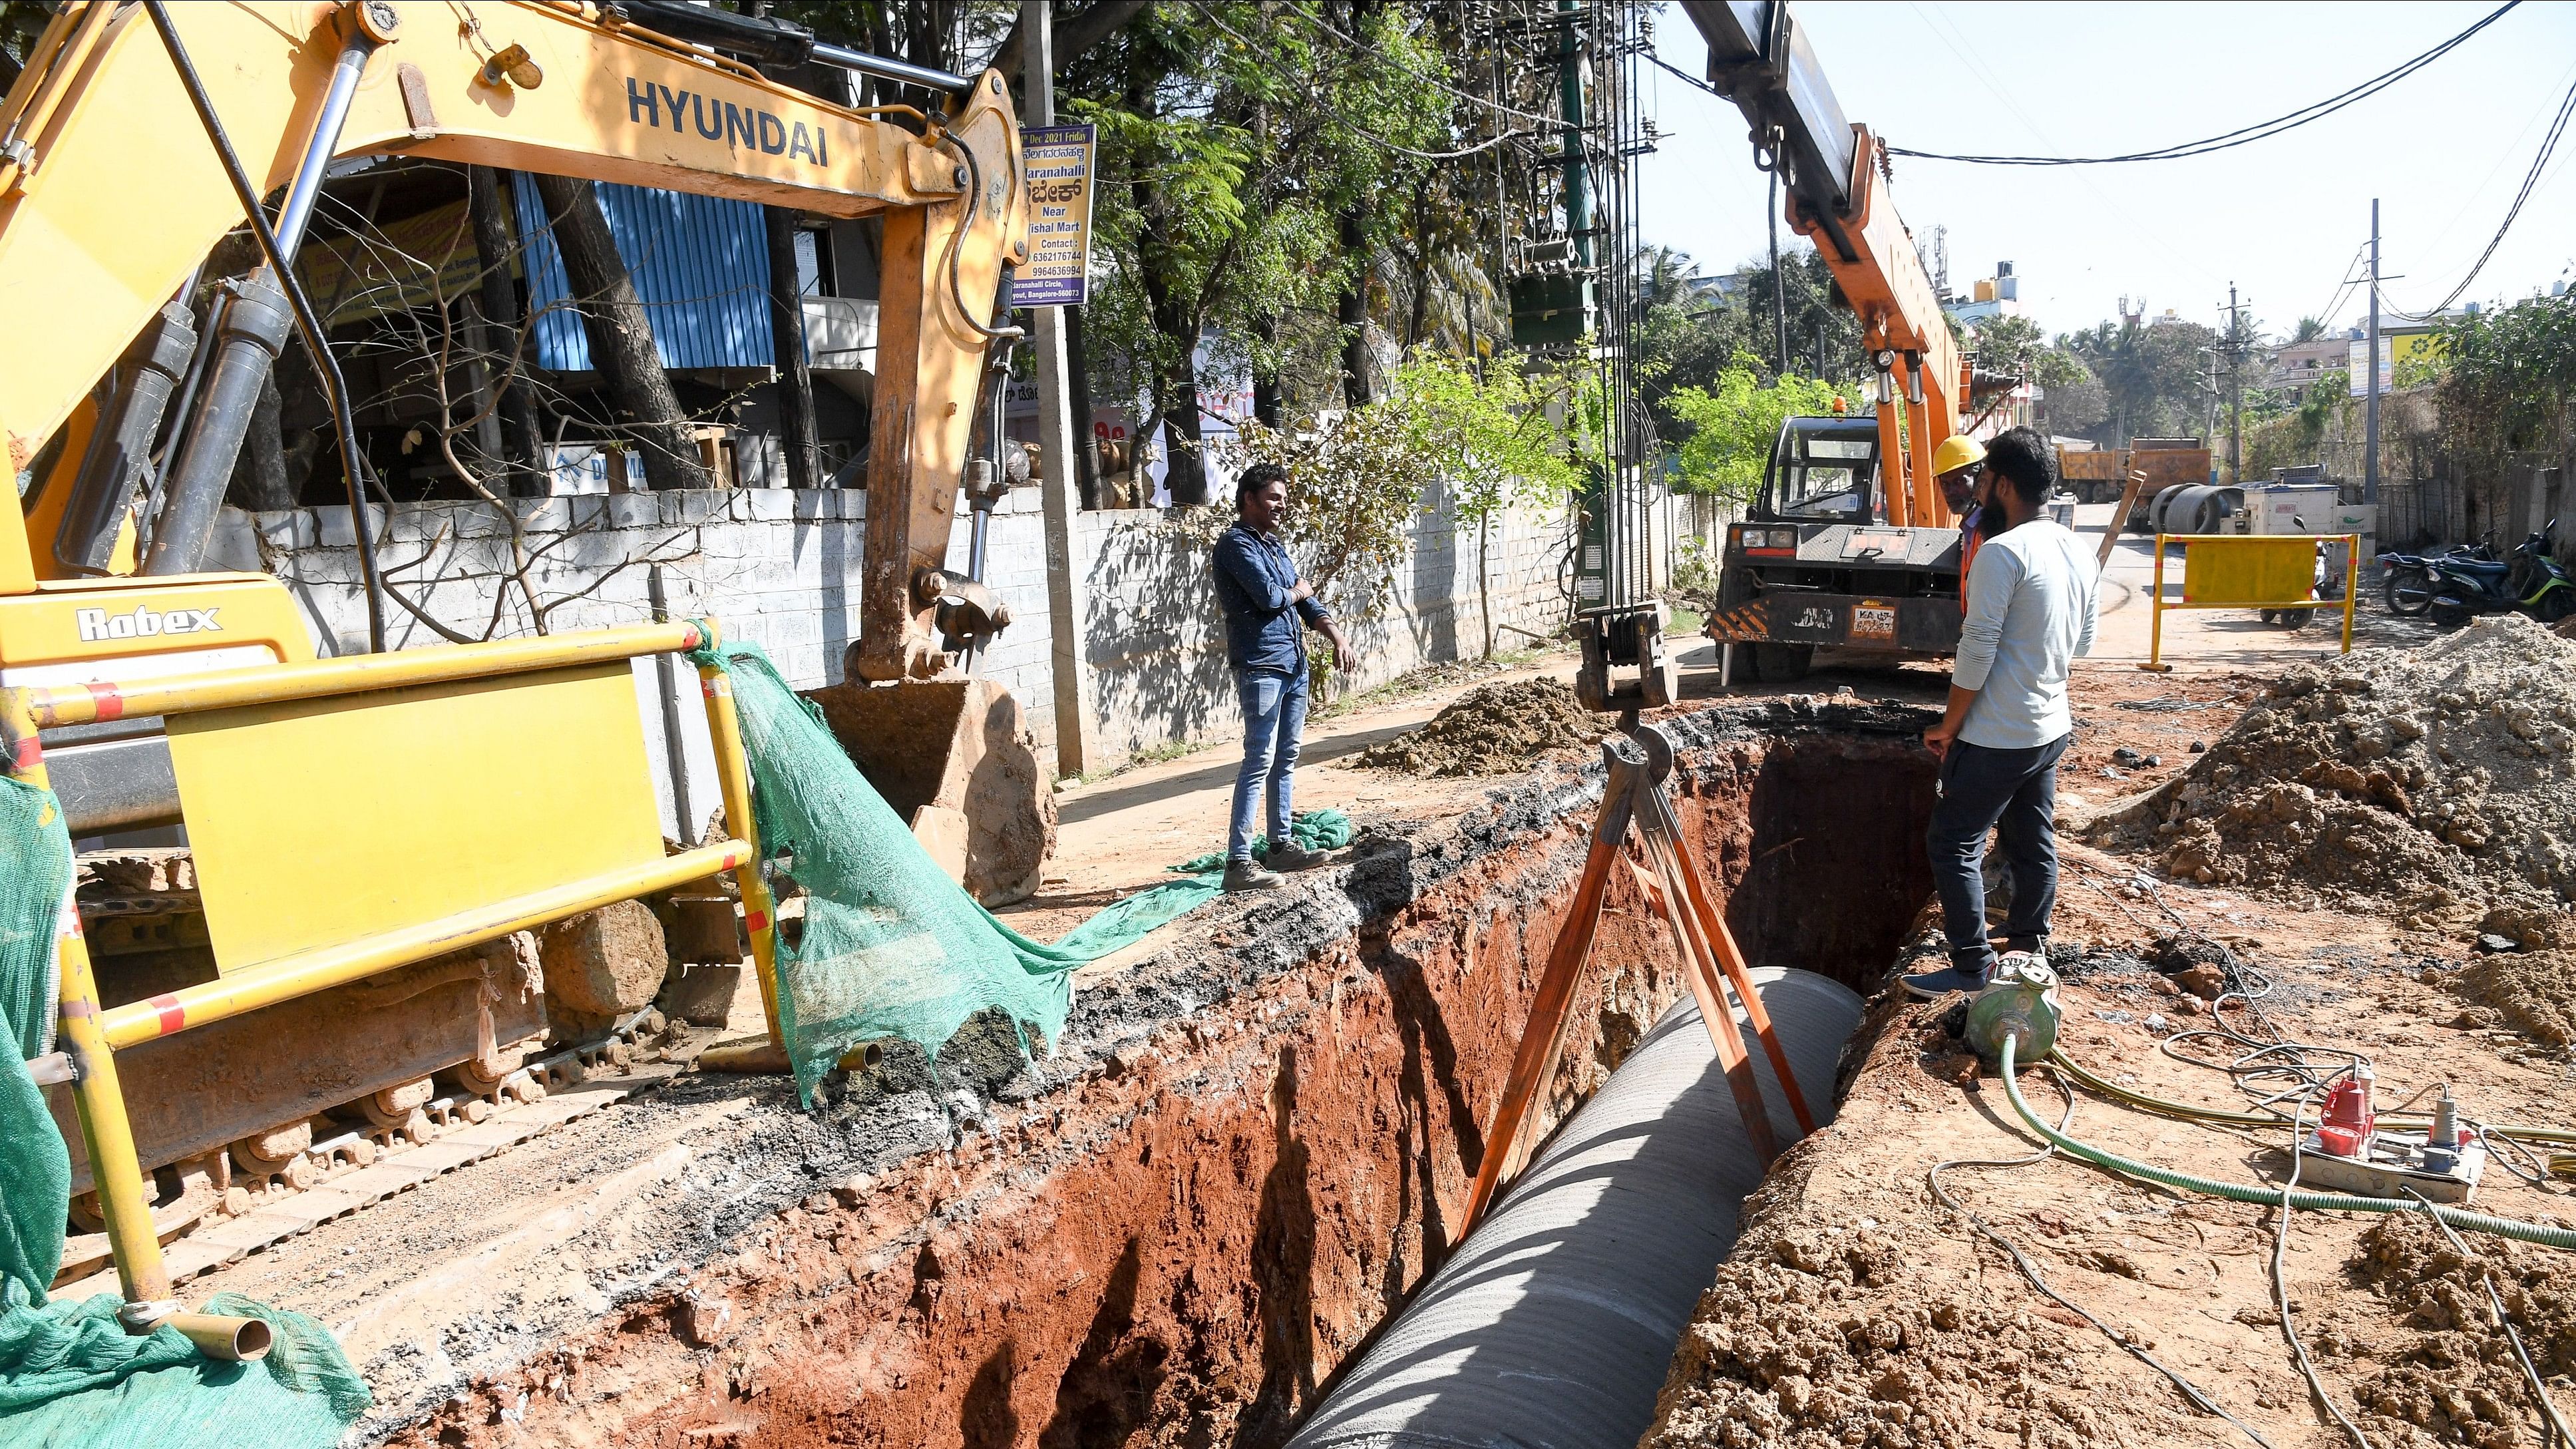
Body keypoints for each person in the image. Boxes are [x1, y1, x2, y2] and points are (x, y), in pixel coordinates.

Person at [1905, 427, 2098, 998]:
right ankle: (2028, 946)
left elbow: (1977, 649)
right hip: (2049, 726)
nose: (1977, 489)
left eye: (1984, 479)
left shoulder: (2000, 552)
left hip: (1998, 734)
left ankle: (1970, 966)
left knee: (1952, 843)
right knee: (2031, 838)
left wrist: (1949, 724)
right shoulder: (2075, 548)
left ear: (2005, 485)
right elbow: (2081, 643)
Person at [1212, 463, 1354, 893]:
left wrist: (1337, 636)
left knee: (1285, 758)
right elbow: (1274, 598)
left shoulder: (1274, 546)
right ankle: (1238, 863)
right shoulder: (1234, 545)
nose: (1281, 505)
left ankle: (1281, 846)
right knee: (1259, 758)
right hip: (1261, 664)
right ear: (1249, 499)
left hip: (1293, 662)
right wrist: (1301, 591)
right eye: (1274, 497)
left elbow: (1305, 604)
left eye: (1283, 498)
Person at [1929, 433, 1988, 598]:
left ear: (1980, 479)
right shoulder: (1970, 528)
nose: (1950, 492)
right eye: (1945, 484)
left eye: (1959, 482)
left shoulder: (1991, 528)